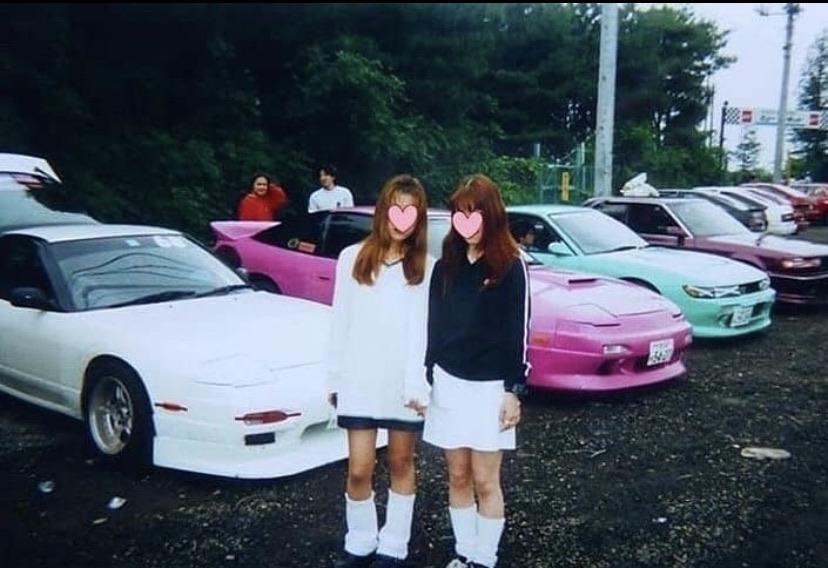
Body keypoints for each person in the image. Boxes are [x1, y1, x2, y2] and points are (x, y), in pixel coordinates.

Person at [423, 174, 530, 568]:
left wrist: (514, 389)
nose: (466, 222)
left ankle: (485, 557)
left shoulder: (511, 266)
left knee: (486, 480)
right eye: (459, 213)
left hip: (490, 388)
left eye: (474, 213)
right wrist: (426, 375)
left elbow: (518, 331)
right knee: (458, 477)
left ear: (491, 214)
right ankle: (464, 552)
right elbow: (433, 325)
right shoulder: (445, 266)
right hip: (448, 383)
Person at [328, 174, 434, 568]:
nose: (402, 218)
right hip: (359, 379)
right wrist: (334, 376)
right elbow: (340, 321)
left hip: (403, 383)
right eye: (396, 208)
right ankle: (360, 541)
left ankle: (394, 545)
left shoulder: (427, 267)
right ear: (383, 211)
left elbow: (424, 331)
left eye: (411, 211)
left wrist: (418, 383)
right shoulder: (351, 258)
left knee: (401, 463)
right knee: (359, 469)